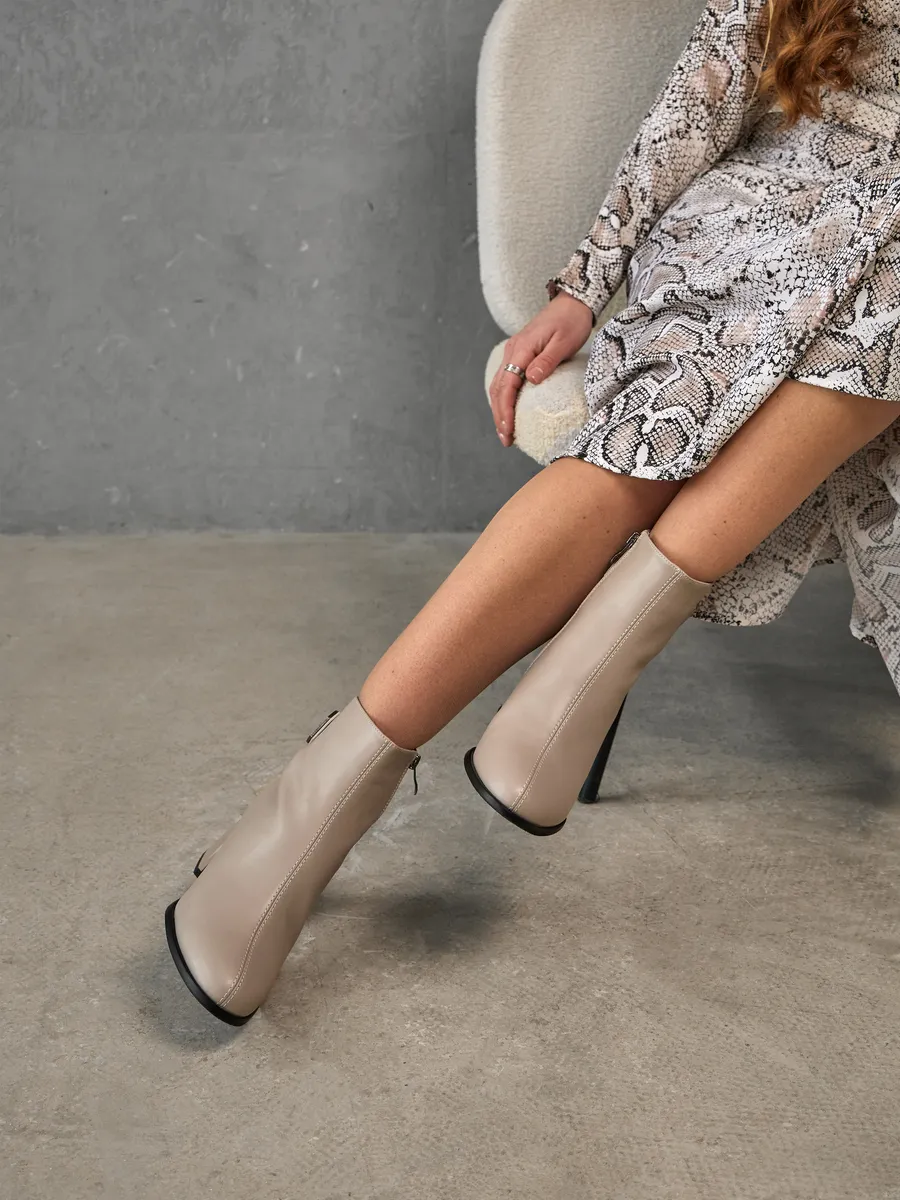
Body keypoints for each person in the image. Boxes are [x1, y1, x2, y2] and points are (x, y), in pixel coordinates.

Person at [164, 0, 900, 1025]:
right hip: (768, 234)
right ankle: (301, 819)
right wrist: (584, 286)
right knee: (660, 437)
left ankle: (572, 690)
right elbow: (701, 98)